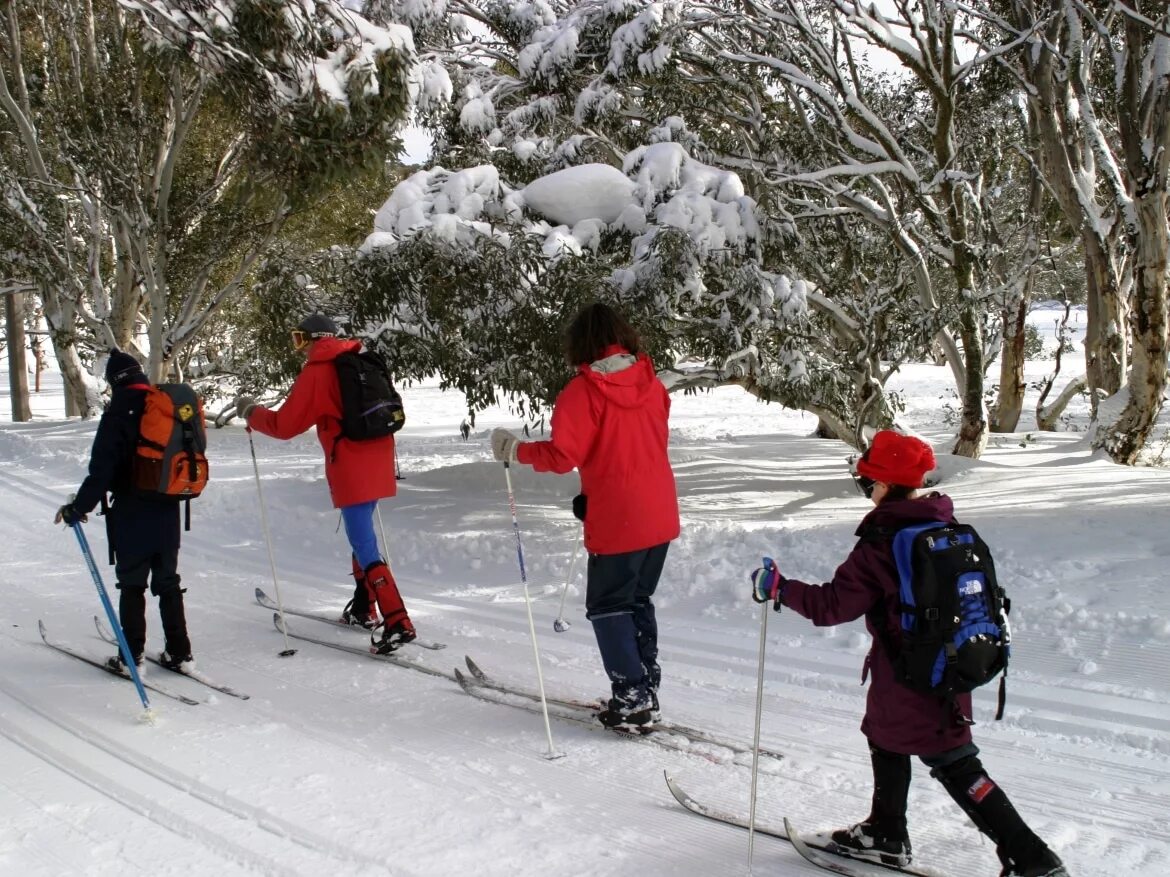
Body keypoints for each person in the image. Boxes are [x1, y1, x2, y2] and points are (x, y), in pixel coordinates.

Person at [750, 430, 1068, 877]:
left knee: (954, 763)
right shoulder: (944, 528)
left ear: (883, 485)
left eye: (868, 482)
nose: (868, 491)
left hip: (907, 676)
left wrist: (780, 588)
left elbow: (833, 606)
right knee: (891, 740)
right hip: (950, 669)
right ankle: (885, 832)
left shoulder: (883, 540)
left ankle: (1032, 857)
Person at [491, 303, 680, 729]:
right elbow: (634, 446)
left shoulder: (584, 391)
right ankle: (644, 688)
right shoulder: (652, 384)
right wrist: (593, 491)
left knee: (608, 606)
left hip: (620, 516)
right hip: (660, 510)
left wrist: (516, 450)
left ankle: (632, 697)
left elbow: (563, 455)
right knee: (635, 600)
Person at [235, 314, 415, 653]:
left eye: (300, 339)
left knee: (364, 544)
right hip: (378, 458)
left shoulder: (319, 371)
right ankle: (364, 608)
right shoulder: (357, 360)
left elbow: (285, 425)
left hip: (350, 464)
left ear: (313, 339)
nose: (299, 348)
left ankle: (398, 621)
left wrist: (251, 412)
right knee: (360, 535)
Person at [54, 350, 195, 673]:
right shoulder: (165, 405)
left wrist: (78, 508)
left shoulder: (118, 411)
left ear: (114, 381)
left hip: (132, 511)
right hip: (169, 507)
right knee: (168, 581)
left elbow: (101, 471)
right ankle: (180, 651)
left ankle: (131, 655)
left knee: (132, 583)